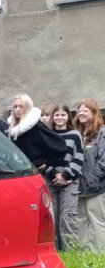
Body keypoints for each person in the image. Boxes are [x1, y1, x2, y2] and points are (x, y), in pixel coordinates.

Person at [45, 104, 84, 250]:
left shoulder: (75, 134)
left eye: (63, 115)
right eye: (57, 115)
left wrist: (65, 175)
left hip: (70, 180)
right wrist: (54, 174)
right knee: (51, 218)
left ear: (68, 116)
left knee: (67, 217)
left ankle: (71, 251)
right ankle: (53, 251)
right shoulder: (47, 134)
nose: (60, 118)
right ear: (53, 117)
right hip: (50, 179)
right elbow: (42, 159)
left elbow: (79, 157)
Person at [6, 94, 70, 174]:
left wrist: (48, 163)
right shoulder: (11, 128)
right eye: (15, 106)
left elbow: (60, 145)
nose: (18, 109)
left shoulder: (36, 126)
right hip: (19, 172)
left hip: (35, 172)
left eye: (21, 106)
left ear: (28, 107)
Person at [76, 99, 105, 251]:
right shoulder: (78, 133)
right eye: (79, 111)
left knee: (97, 219)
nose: (81, 113)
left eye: (85, 111)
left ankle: (99, 253)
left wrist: (93, 178)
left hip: (96, 186)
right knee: (82, 220)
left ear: (94, 114)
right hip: (79, 186)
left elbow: (104, 160)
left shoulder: (102, 132)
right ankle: (84, 253)